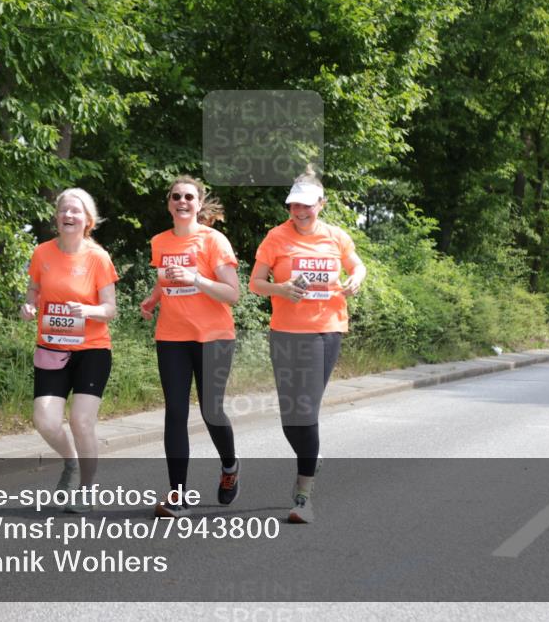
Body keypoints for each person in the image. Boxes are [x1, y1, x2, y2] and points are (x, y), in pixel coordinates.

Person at [249, 168, 366, 523]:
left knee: (306, 410)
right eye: (293, 206)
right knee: (289, 417)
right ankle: (311, 458)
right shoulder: (276, 237)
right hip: (285, 331)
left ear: (321, 204)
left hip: (325, 330)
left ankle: (303, 496)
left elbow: (357, 266)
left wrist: (355, 279)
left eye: (306, 205)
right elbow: (255, 283)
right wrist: (281, 289)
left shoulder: (336, 237)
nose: (299, 212)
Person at [140, 176, 240, 518]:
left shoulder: (213, 241)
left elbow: (233, 293)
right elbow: (165, 278)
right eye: (176, 196)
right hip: (172, 336)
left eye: (188, 197)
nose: (182, 201)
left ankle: (230, 466)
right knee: (175, 412)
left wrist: (195, 278)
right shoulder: (160, 242)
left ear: (198, 204)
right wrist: (153, 299)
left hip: (214, 337)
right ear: (169, 204)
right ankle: (178, 495)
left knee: (211, 411)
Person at [20, 188, 118, 513]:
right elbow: (34, 291)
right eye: (64, 210)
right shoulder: (42, 253)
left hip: (92, 350)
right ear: (57, 217)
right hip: (51, 347)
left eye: (76, 211)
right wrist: (29, 306)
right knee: (45, 420)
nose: (69, 215)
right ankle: (71, 461)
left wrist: (86, 311)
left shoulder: (98, 257)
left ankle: (87, 490)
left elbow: (110, 309)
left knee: (81, 421)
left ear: (88, 219)